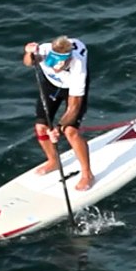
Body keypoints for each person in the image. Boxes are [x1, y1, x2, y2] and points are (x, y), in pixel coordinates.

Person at [21, 35, 93, 191]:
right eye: (53, 63)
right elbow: (28, 62)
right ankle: (54, 161)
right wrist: (29, 53)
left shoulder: (78, 68)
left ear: (68, 60)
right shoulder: (44, 51)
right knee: (41, 127)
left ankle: (87, 174)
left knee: (70, 131)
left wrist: (58, 128)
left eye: (61, 64)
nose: (56, 67)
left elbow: (74, 106)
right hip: (51, 85)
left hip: (71, 90)